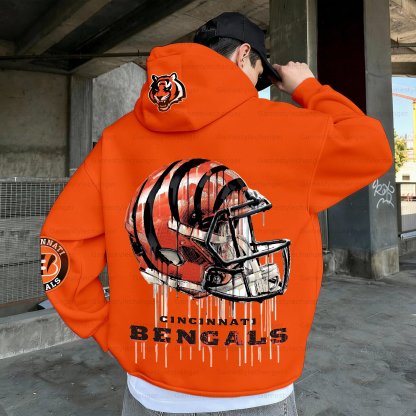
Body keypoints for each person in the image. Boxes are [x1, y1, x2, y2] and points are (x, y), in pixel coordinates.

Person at [40, 11, 393, 416]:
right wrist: (309, 87)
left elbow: (61, 244)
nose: (257, 87)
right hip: (259, 391)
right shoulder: (293, 130)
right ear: (244, 54)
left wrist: (110, 331)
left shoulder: (119, 140)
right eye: (259, 73)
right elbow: (373, 147)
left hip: (151, 392)